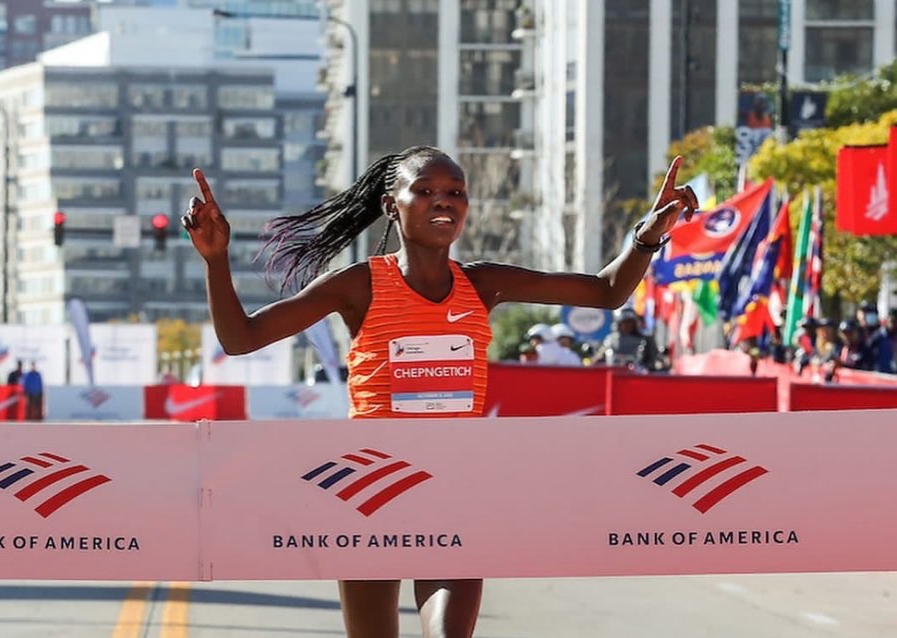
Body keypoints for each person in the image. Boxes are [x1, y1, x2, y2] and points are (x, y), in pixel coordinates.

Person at [181, 147, 696, 638]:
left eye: (456, 191)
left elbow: (606, 292)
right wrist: (215, 259)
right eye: (425, 190)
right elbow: (241, 338)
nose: (444, 200)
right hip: (369, 490)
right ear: (392, 206)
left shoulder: (484, 283)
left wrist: (647, 237)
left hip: (453, 485)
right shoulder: (358, 285)